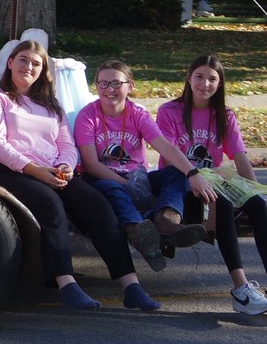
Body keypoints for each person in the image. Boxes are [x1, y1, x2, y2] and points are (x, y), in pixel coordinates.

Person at [0, 40, 161, 311]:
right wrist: (34, 170)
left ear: (43, 70)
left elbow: (66, 146)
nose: (29, 67)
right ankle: (67, 285)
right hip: (10, 170)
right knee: (51, 204)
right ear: (11, 62)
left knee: (98, 205)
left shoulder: (51, 107)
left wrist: (66, 166)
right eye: (23, 60)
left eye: (36, 63)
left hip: (53, 171)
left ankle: (131, 285)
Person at [157, 55, 267, 316]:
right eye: (199, 77)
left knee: (259, 204)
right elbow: (169, 152)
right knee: (223, 203)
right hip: (183, 181)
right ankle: (241, 290)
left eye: (212, 79)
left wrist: (254, 191)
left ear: (220, 83)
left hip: (215, 179)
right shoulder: (169, 111)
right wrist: (193, 173)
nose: (205, 84)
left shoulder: (224, 115)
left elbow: (240, 158)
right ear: (189, 78)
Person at [75, 60, 217, 272]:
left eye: (116, 83)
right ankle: (138, 232)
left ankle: (166, 221)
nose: (109, 90)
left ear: (130, 86)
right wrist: (126, 183)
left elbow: (166, 148)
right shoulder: (88, 116)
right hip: (102, 178)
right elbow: (91, 165)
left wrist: (192, 173)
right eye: (103, 84)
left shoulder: (138, 114)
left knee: (175, 173)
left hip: (137, 176)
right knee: (115, 190)